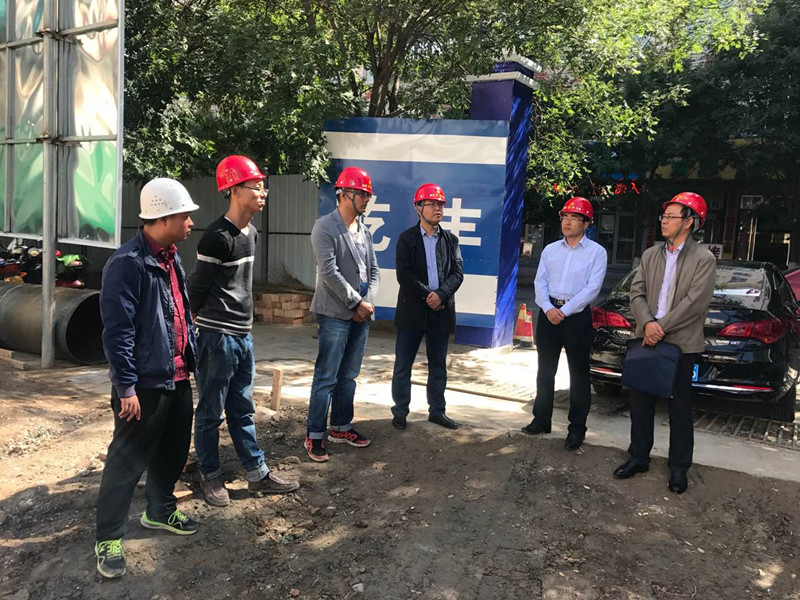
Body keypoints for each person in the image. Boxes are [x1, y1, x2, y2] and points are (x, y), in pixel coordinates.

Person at [94, 178, 201, 578]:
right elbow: (117, 331)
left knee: (173, 450)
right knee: (125, 462)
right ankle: (108, 538)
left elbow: (177, 311)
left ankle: (160, 510)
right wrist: (126, 387)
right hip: (143, 386)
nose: (190, 222)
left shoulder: (171, 257)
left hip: (177, 376)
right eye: (185, 216)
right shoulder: (128, 264)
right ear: (164, 217)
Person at [188, 155, 299, 507]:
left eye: (263, 187)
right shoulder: (216, 238)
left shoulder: (251, 234)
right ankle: (210, 474)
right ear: (235, 190)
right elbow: (197, 288)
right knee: (211, 411)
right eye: (256, 186)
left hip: (242, 336)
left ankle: (256, 473)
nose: (263, 193)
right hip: (216, 337)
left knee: (243, 408)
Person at [613, 192, 715, 494]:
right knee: (640, 402)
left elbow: (694, 303)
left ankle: (679, 467)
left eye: (671, 217)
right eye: (664, 216)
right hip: (647, 338)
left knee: (679, 407)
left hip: (681, 343)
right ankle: (638, 457)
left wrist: (660, 327)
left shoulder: (703, 259)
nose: (664, 221)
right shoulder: (650, 255)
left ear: (689, 222)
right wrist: (648, 324)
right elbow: (637, 293)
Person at [305, 166, 380, 462]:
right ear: (344, 194)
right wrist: (355, 303)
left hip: (361, 314)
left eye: (367, 195)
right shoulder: (325, 227)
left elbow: (373, 271)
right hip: (334, 314)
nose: (366, 199)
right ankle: (315, 434)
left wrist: (367, 303)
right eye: (361, 194)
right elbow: (329, 272)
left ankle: (341, 426)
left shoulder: (365, 231)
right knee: (327, 376)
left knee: (348, 375)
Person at [522, 197, 607, 450]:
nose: (567, 222)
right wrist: (549, 308)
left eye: (574, 218)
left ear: (586, 223)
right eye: (565, 217)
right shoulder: (550, 250)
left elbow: (592, 288)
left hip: (576, 317)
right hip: (548, 315)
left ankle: (576, 429)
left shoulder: (597, 253)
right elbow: (540, 282)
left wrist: (565, 311)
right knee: (545, 371)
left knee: (578, 375)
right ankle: (541, 419)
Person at [390, 183, 464, 430]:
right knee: (403, 364)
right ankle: (400, 410)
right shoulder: (406, 239)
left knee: (438, 365)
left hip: (440, 311)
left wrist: (440, 295)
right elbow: (404, 274)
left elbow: (457, 273)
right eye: (431, 204)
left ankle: (437, 411)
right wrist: (427, 295)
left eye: (440, 204)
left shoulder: (450, 240)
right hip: (412, 310)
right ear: (418, 208)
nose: (437, 208)